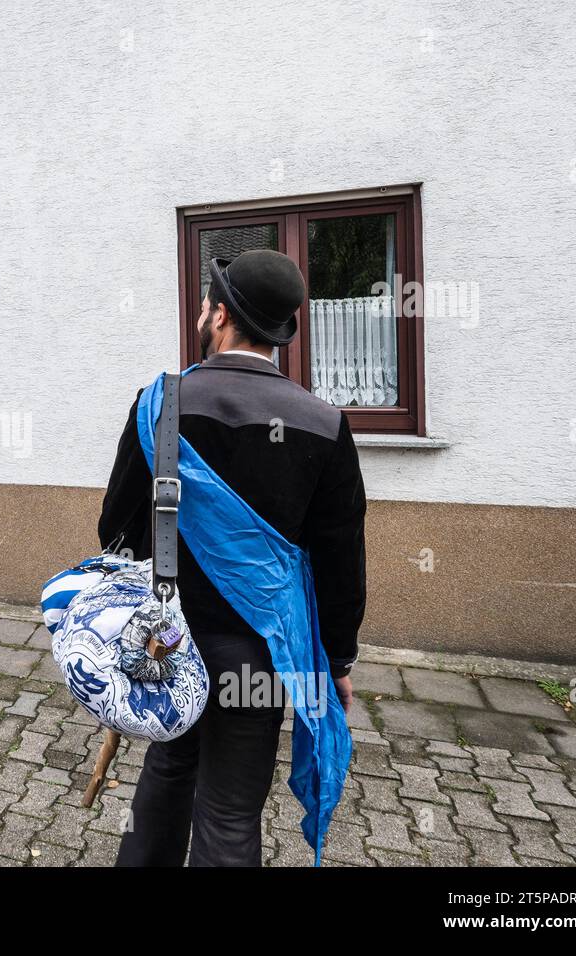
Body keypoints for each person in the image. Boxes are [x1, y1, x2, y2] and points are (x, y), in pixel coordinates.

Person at [98, 249, 367, 867]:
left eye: (205, 304)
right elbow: (340, 561)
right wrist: (338, 658)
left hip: (167, 642)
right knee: (229, 811)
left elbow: (114, 525)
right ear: (278, 333)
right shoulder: (324, 424)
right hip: (262, 655)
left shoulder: (160, 403)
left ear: (218, 316)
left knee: (166, 775)